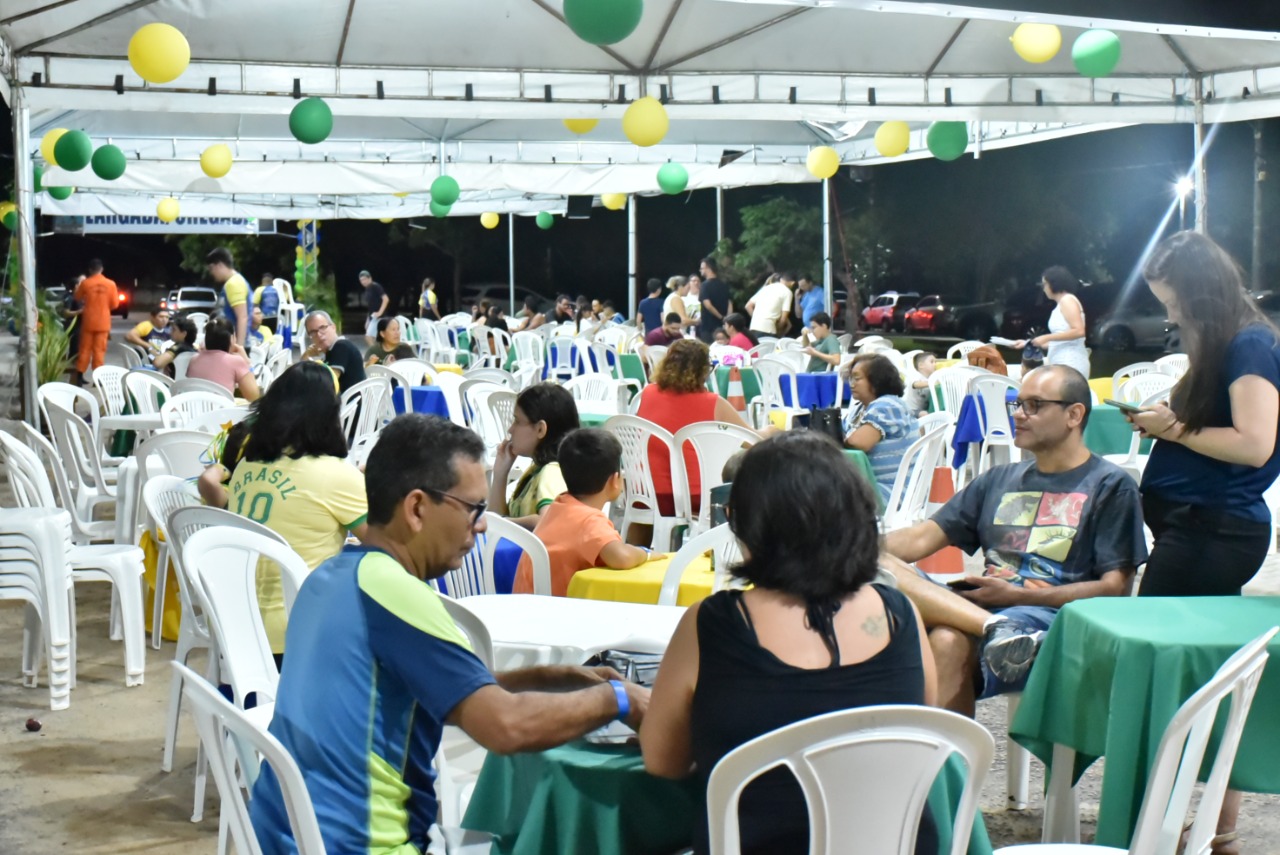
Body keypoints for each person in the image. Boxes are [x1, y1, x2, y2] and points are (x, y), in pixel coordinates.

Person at [249, 415, 650, 854]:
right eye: (473, 509)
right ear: (418, 508)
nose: (481, 526)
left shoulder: (333, 576)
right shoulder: (396, 594)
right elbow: (504, 727)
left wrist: (557, 678)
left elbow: (446, 690)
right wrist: (620, 700)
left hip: (286, 835)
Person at [641, 432, 937, 854]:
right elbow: (920, 728)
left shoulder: (712, 624)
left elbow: (662, 762)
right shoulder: (899, 614)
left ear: (746, 523)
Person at [1126, 231, 1275, 855]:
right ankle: (1218, 827)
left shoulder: (1250, 344)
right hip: (1199, 526)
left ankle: (1186, 821)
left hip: (1214, 529)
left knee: (1168, 671)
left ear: (1201, 294)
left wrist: (1177, 429)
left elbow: (1254, 444)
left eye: (1175, 303)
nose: (1170, 315)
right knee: (1207, 674)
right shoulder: (1233, 343)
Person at [881, 365, 1146, 715]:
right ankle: (996, 629)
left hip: (1052, 621)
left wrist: (1018, 595)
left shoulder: (1110, 485)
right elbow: (919, 539)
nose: (1018, 415)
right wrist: (842, 544)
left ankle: (939, 766)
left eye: (1034, 405)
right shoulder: (999, 478)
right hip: (984, 610)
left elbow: (1114, 588)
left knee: (944, 640)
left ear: (1074, 414)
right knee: (872, 562)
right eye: (1016, 404)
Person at [198, 361, 368, 655]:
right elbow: (390, 547)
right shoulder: (337, 475)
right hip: (303, 634)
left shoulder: (246, 466)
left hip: (238, 626)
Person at [514, 428, 660, 596]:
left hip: (529, 608)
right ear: (614, 480)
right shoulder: (589, 520)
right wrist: (645, 553)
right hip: (556, 614)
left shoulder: (560, 505)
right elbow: (622, 557)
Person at [637, 339, 764, 518]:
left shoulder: (647, 393)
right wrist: (772, 431)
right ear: (703, 370)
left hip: (645, 491)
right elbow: (753, 442)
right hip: (695, 494)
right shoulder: (713, 403)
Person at [489, 383, 576, 530]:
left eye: (517, 421)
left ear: (541, 429)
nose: (511, 429)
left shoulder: (552, 472)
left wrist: (505, 522)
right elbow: (495, 529)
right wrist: (500, 475)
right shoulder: (536, 469)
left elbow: (549, 522)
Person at [842, 354, 918, 500]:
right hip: (868, 486)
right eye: (851, 378)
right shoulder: (859, 409)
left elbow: (857, 443)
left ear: (877, 381)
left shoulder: (888, 405)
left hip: (891, 492)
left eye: (857, 378)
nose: (852, 384)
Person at [1012, 266, 1088, 379]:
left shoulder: (1067, 300)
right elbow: (1061, 341)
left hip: (1070, 362)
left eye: (1044, 284)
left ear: (1054, 284)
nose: (1043, 289)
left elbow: (1079, 331)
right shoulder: (1062, 303)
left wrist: (1046, 337)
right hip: (1060, 361)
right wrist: (1029, 343)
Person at [188, 318, 261, 401]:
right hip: (223, 412)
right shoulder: (236, 361)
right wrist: (247, 362)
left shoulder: (193, 360)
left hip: (194, 411)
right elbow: (254, 397)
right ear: (231, 338)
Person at [72, 258, 117, 384]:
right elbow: (114, 304)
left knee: (84, 349)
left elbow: (77, 297)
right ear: (101, 269)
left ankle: (79, 377)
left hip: (88, 321)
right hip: (103, 322)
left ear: (90, 270)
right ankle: (99, 379)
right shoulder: (111, 284)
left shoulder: (86, 283)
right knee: (99, 350)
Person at [304, 310, 366, 394]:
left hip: (350, 405)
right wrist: (306, 355)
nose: (319, 334)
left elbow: (329, 382)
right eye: (313, 332)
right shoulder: (330, 350)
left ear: (333, 327)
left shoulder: (341, 346)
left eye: (322, 328)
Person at [206, 247, 251, 347]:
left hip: (233, 346)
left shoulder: (234, 284)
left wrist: (239, 348)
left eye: (211, 268)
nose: (211, 273)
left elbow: (242, 317)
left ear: (220, 265)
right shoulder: (234, 282)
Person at [746, 271, 794, 336]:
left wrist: (757, 318)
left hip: (754, 327)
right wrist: (778, 332)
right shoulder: (787, 292)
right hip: (768, 329)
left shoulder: (765, 288)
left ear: (781, 279)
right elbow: (783, 319)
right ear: (792, 283)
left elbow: (748, 306)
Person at [697, 257, 731, 344]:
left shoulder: (704, 285)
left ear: (708, 268)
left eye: (702, 268)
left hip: (708, 327)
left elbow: (707, 305)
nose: (700, 270)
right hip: (723, 327)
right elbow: (730, 303)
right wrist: (727, 318)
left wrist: (720, 317)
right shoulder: (724, 284)